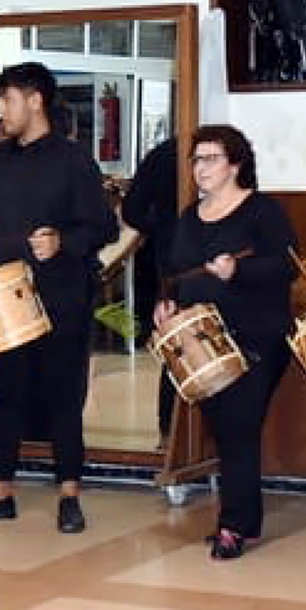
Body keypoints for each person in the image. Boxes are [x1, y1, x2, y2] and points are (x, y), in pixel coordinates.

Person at [0, 62, 117, 534]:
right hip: (4, 301)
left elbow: (104, 227)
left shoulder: (73, 160)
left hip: (61, 297)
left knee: (63, 397)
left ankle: (69, 495)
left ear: (35, 100)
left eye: (8, 99)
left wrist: (62, 241)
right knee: (6, 396)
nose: (3, 109)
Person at [153, 125, 294, 559]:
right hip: (201, 341)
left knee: (238, 426)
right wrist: (166, 304)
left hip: (257, 335)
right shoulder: (188, 218)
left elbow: (286, 266)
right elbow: (175, 274)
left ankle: (234, 525)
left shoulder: (261, 211)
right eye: (196, 160)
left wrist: (240, 271)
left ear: (236, 164)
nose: (200, 168)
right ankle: (242, 520)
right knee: (228, 429)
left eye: (211, 159)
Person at [121, 137, 179, 445]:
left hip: (170, 260)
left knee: (176, 345)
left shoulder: (165, 152)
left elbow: (131, 211)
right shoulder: (227, 148)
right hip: (218, 259)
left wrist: (159, 228)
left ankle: (168, 434)